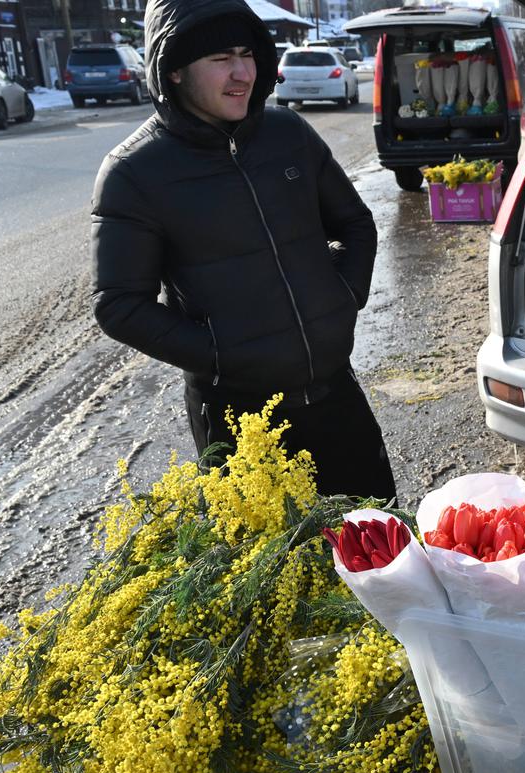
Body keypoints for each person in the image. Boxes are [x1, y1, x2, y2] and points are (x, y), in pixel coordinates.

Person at [91, 0, 396, 501]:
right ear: (173, 71)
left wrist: (343, 298)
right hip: (241, 426)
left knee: (383, 558)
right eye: (218, 59)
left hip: (337, 397)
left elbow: (355, 225)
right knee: (281, 573)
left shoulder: (287, 133)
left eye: (246, 53)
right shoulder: (134, 172)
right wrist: (219, 354)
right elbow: (119, 304)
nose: (242, 74)